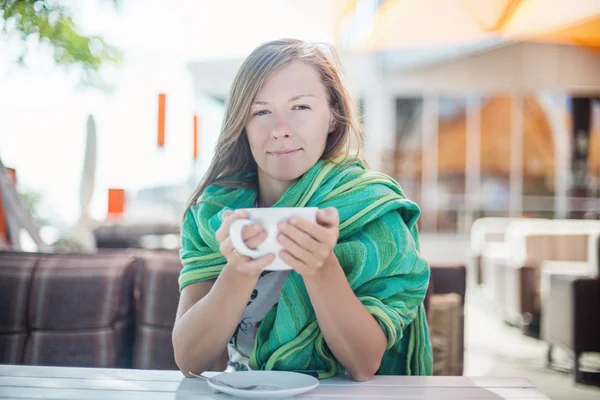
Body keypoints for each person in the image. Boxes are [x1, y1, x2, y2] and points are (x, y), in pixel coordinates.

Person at [172, 38, 432, 382]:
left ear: (332, 117)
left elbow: (363, 364)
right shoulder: (212, 214)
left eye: (301, 107)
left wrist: (320, 266)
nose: (280, 130)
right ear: (242, 125)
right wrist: (240, 270)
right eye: (261, 111)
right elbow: (191, 360)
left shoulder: (374, 210)